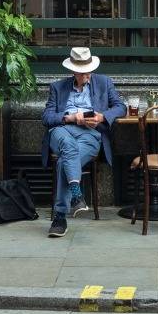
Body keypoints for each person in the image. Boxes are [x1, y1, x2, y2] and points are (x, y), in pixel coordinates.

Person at [41, 47, 126, 238]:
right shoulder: (57, 87)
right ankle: (74, 199)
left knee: (65, 161)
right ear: (74, 72)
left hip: (90, 134)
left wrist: (102, 117)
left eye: (89, 71)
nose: (88, 75)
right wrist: (70, 118)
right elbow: (46, 117)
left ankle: (61, 217)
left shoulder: (104, 82)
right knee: (67, 146)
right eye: (83, 72)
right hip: (62, 131)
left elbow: (121, 107)